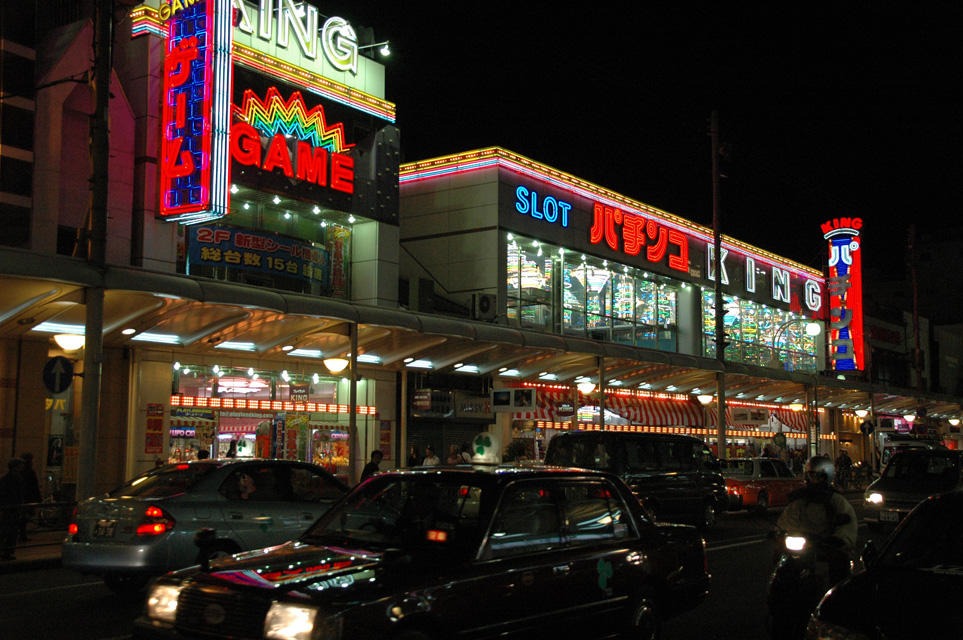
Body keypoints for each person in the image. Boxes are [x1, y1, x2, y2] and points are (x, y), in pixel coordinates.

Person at [775, 456, 858, 585]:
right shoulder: (800, 500)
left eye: (817, 476)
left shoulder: (836, 500)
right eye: (810, 476)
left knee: (839, 566)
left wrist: (840, 538)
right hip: (804, 547)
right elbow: (788, 518)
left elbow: (848, 523)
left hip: (827, 546)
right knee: (781, 562)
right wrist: (780, 532)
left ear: (826, 477)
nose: (813, 480)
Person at [0, 458, 26, 561]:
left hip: (11, 507)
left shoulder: (7, 478)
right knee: (9, 529)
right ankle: (6, 551)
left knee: (9, 529)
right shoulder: (14, 479)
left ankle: (7, 550)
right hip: (11, 507)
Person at [18, 452, 41, 543]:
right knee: (24, 517)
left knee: (20, 517)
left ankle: (21, 534)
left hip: (21, 497)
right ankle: (22, 535)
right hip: (28, 497)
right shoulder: (30, 472)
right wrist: (39, 498)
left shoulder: (20, 472)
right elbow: (34, 486)